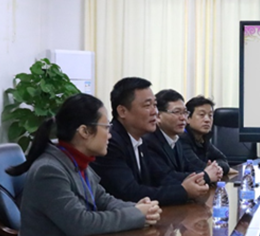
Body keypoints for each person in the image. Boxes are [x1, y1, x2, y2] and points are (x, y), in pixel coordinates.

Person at [2, 93, 162, 236]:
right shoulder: (49, 170)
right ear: (84, 131)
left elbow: (103, 199)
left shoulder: (77, 162)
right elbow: (80, 223)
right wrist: (136, 215)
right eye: (106, 127)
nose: (110, 135)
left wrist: (139, 209)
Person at [91, 77, 209, 206]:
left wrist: (193, 183)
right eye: (147, 106)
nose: (155, 112)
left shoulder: (140, 139)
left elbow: (160, 178)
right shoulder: (111, 142)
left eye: (155, 105)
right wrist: (184, 191)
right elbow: (130, 193)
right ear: (122, 111)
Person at [144, 89, 223, 187]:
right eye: (177, 112)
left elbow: (189, 168)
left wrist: (214, 171)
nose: (183, 118)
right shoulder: (149, 141)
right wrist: (206, 175)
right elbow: (166, 178)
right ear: (158, 116)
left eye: (185, 112)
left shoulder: (176, 139)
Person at [178, 96, 230, 175]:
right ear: (187, 118)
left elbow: (223, 160)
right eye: (202, 115)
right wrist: (211, 168)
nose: (207, 120)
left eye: (210, 115)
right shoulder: (181, 139)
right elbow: (196, 167)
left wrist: (214, 168)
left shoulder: (203, 138)